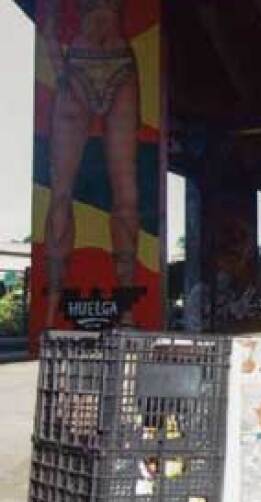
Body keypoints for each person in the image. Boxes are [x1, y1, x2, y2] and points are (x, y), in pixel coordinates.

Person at [42, 0, 141, 327]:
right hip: (92, 64)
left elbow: (50, 19)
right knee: (63, 193)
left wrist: (60, 65)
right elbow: (50, 16)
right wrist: (60, 66)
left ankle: (124, 309)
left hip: (111, 64)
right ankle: (50, 312)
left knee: (123, 194)